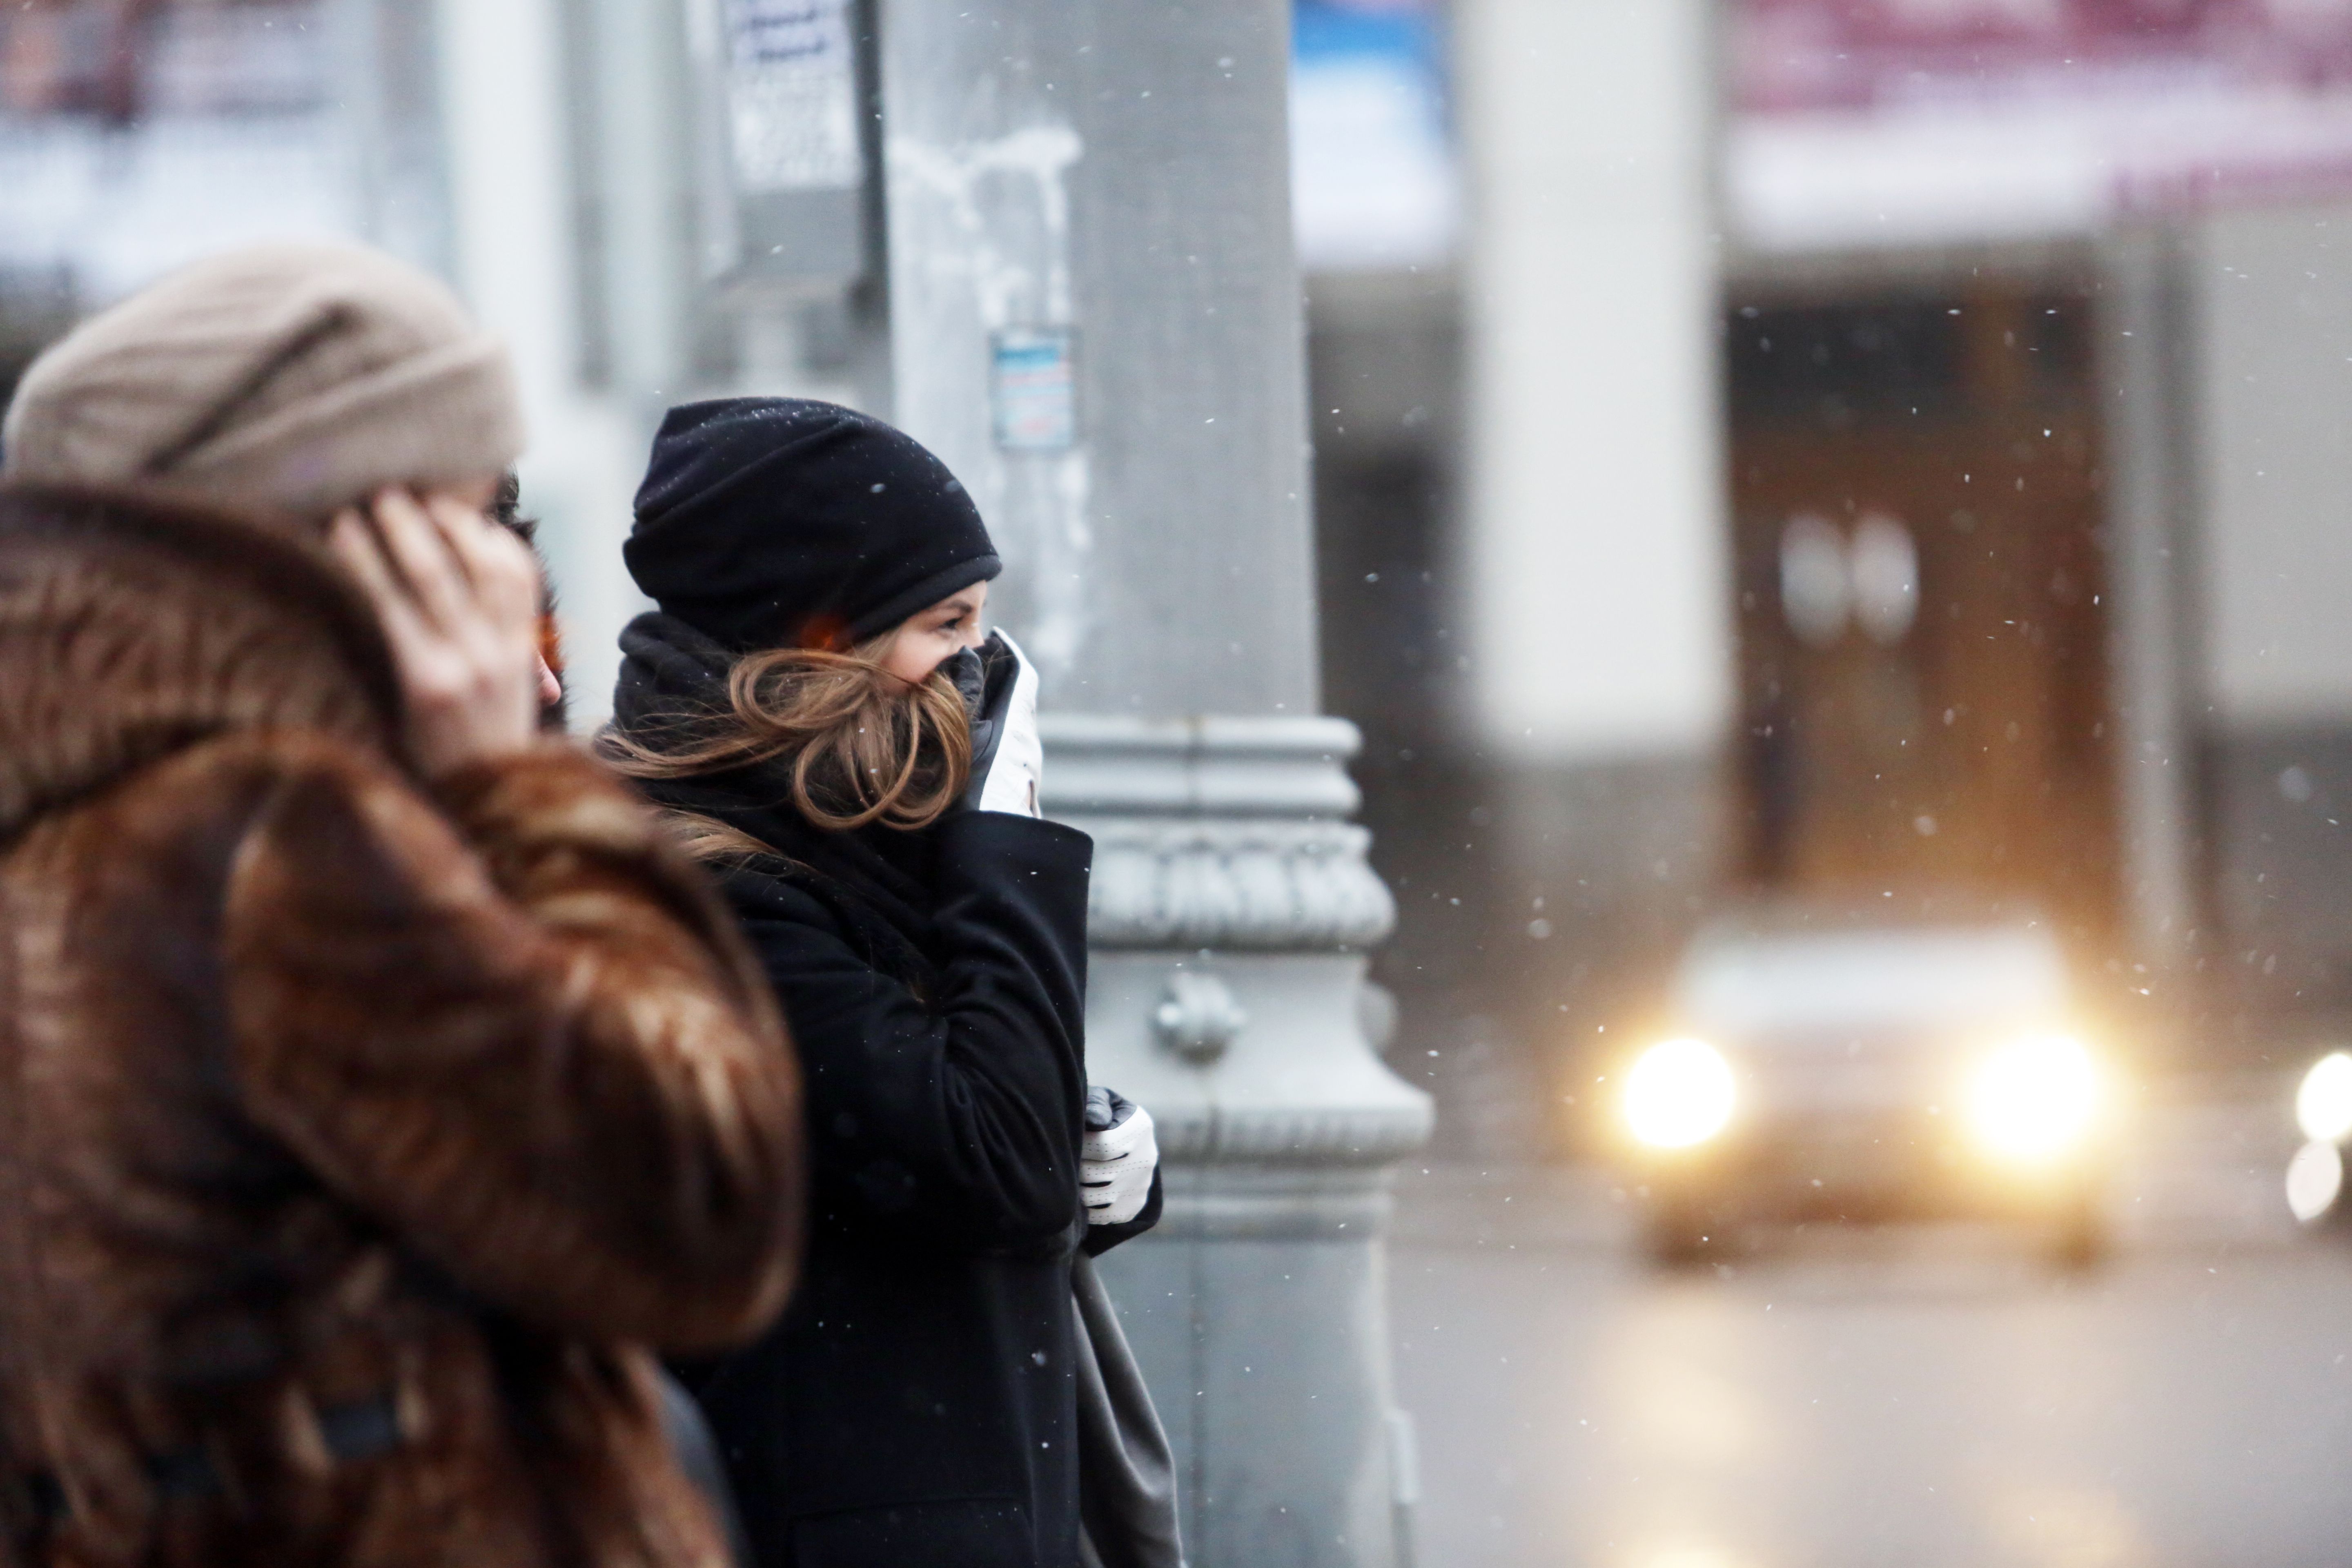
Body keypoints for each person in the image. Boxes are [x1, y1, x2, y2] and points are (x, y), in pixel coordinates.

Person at [0, 244, 805, 1567]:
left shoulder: (77, 822)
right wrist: (510, 788)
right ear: (360, 532)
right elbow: (701, 1207)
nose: (499, 586)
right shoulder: (278, 842)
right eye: (468, 516)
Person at [605, 398, 1163, 1568]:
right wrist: (1007, 830)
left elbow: (943, 1143)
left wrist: (1092, 1145)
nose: (977, 667)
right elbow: (982, 1162)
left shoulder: (857, 839)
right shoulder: (704, 892)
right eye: (944, 623)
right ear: (819, 642)